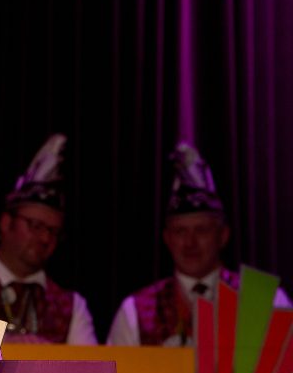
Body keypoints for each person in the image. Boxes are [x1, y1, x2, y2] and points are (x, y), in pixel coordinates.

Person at [107, 142, 290, 346]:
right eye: (180, 231)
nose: (190, 242)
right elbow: (115, 367)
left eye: (201, 230)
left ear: (223, 235)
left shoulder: (267, 301)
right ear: (167, 238)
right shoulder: (135, 311)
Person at [0, 134, 98, 344]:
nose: (45, 238)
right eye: (35, 225)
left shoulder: (73, 308)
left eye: (53, 231)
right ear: (6, 223)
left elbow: (88, 363)